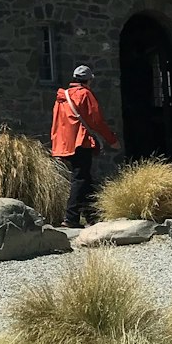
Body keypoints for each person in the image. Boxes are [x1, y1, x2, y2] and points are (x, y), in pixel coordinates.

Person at [51, 65, 119, 229]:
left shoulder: (62, 98)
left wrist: (57, 142)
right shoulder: (85, 94)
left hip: (65, 143)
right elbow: (97, 120)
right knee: (80, 178)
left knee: (84, 177)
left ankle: (92, 216)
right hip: (80, 141)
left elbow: (57, 122)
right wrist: (111, 140)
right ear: (88, 80)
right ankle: (71, 217)